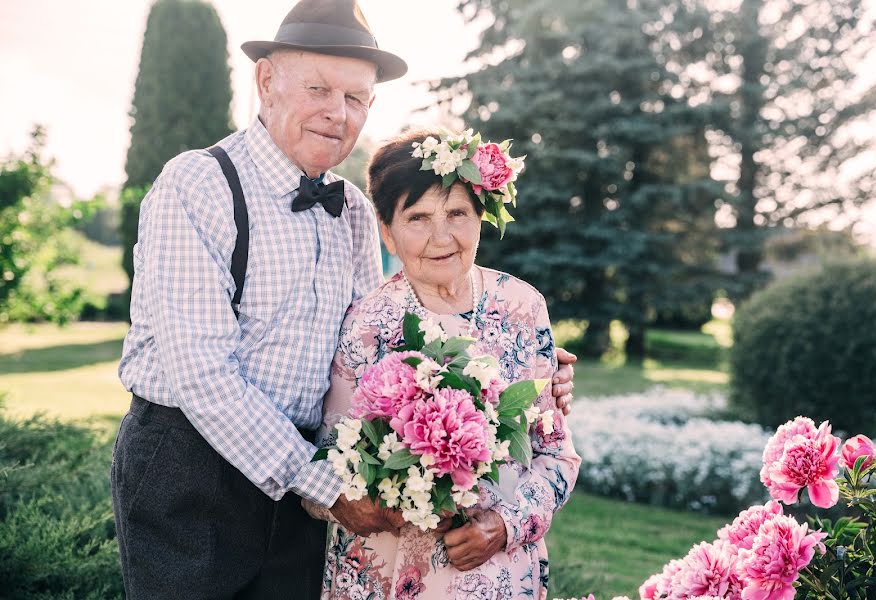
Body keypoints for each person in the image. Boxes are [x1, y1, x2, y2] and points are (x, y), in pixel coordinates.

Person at [111, 0, 576, 598]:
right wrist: (325, 487)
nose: (337, 113)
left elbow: (385, 342)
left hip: (308, 474)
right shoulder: (196, 186)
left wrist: (524, 374)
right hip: (194, 472)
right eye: (319, 89)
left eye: (356, 99)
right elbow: (201, 375)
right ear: (266, 80)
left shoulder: (354, 210)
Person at [307, 129, 581, 600]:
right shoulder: (366, 326)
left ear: (481, 215)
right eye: (418, 217)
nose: (442, 237)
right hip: (388, 577)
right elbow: (324, 473)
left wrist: (505, 525)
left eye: (456, 213)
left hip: (500, 575)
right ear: (387, 230)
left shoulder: (522, 309)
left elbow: (556, 456)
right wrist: (386, 500)